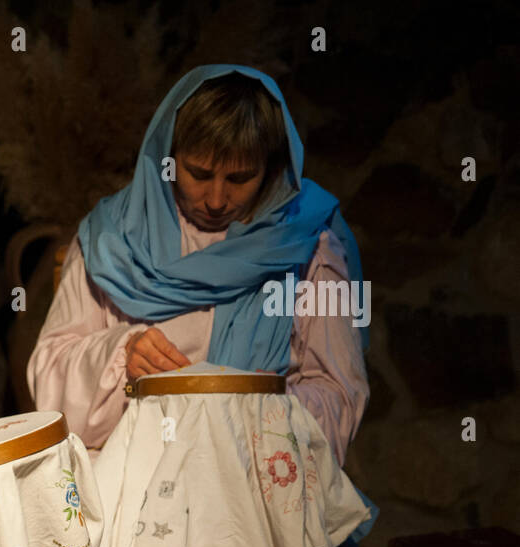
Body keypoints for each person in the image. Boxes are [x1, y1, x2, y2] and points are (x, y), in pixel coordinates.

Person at [29, 65, 370, 470]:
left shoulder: (310, 241)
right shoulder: (113, 237)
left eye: (240, 178)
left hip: (256, 473)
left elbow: (340, 391)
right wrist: (121, 355)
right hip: (131, 467)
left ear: (272, 168)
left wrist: (269, 409)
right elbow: (48, 377)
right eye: (198, 173)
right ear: (168, 157)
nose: (215, 199)